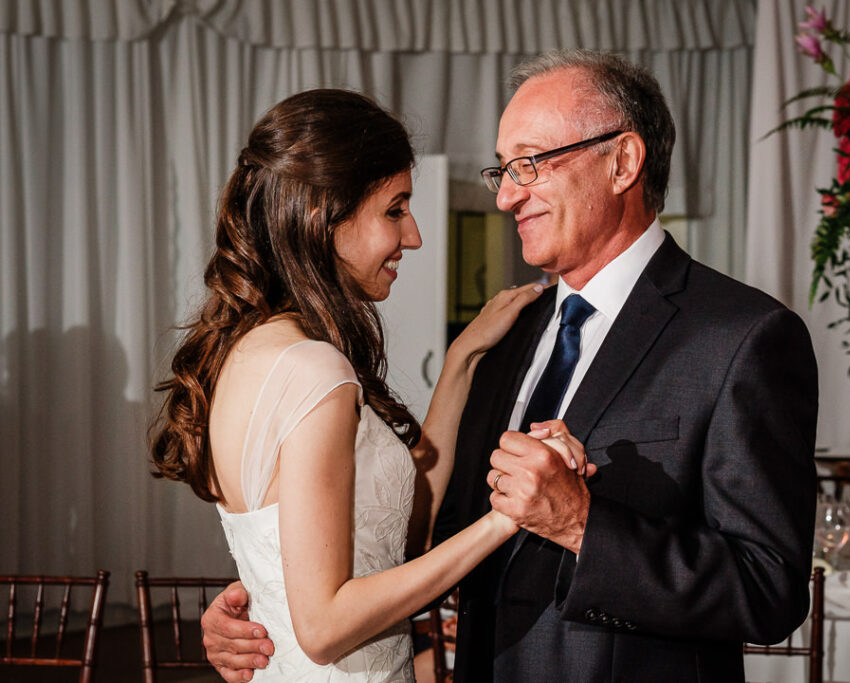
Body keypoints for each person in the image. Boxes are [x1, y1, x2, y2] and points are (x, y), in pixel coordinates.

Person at [204, 51, 819, 682]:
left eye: (529, 163)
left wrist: (582, 525)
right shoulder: (503, 336)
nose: (504, 195)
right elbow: (420, 536)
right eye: (503, 169)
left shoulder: (741, 337)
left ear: (623, 162)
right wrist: (270, 596)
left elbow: (768, 590)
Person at [149, 88, 587, 681]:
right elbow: (325, 628)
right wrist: (506, 518)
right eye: (394, 209)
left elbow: (395, 537)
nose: (414, 236)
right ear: (324, 216)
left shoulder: (247, 350)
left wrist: (460, 359)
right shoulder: (313, 370)